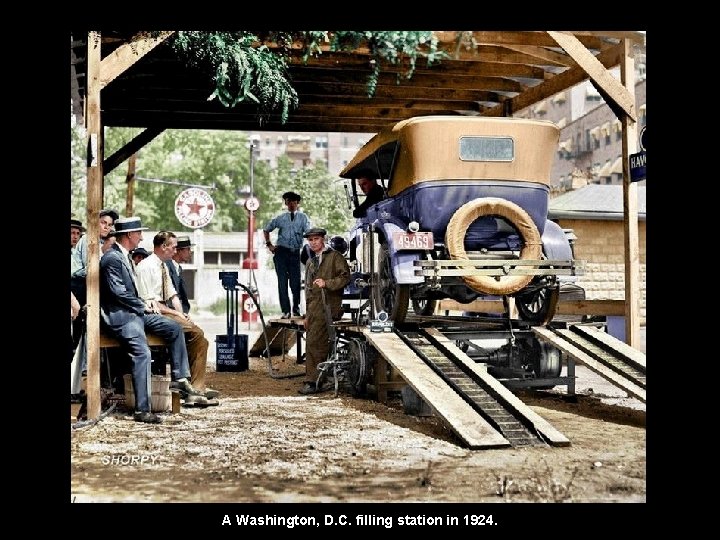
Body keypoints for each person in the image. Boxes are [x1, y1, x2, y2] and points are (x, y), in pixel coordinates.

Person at [99, 217, 200, 423]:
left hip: (134, 312)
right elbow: (118, 293)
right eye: (139, 233)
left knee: (173, 328)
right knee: (142, 352)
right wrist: (142, 304)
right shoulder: (112, 258)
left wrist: (146, 303)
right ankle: (142, 410)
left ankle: (180, 378)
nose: (141, 237)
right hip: (121, 316)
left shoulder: (123, 256)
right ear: (129, 235)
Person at [136, 231, 218, 402]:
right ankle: (182, 381)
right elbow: (150, 303)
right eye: (173, 247)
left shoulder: (164, 265)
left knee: (200, 338)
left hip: (167, 311)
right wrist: (175, 314)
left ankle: (196, 388)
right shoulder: (146, 267)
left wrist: (182, 315)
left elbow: (173, 295)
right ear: (163, 246)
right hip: (153, 313)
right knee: (194, 332)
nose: (175, 250)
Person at [299, 228, 350, 395]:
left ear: (323, 239)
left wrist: (327, 283)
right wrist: (306, 315)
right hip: (314, 308)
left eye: (316, 239)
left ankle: (312, 382)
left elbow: (345, 277)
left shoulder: (335, 257)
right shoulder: (310, 262)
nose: (313, 242)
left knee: (314, 342)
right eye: (310, 240)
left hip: (329, 306)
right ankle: (321, 379)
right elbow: (308, 290)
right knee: (314, 342)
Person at [263, 191, 311, 319]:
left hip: (295, 253)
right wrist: (269, 244)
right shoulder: (281, 218)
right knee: (282, 282)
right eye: (289, 202)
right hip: (281, 253)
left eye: (294, 202)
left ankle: (296, 309)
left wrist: (313, 243)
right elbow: (266, 229)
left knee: (295, 283)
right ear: (286, 203)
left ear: (298, 203)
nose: (291, 204)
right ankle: (285, 311)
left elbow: (308, 232)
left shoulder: (303, 218)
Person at [165, 235, 192, 315]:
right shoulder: (167, 266)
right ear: (179, 251)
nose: (190, 252)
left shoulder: (178, 268)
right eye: (188, 249)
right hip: (171, 312)